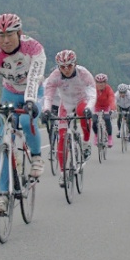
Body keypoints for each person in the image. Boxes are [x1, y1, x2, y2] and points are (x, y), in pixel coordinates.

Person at [0, 13, 46, 214]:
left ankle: (36, 157)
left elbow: (34, 77)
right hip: (9, 91)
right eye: (0, 35)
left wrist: (31, 101)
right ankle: (2, 194)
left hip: (33, 90)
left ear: (20, 33)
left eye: (10, 35)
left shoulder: (34, 48)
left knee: (26, 120)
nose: (5, 40)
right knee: (4, 142)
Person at [41, 50, 96, 187]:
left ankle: (85, 143)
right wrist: (46, 110)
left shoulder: (83, 73)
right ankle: (63, 173)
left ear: (75, 64)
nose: (66, 70)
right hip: (65, 104)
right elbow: (48, 95)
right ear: (58, 66)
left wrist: (89, 107)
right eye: (62, 67)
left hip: (82, 101)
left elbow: (92, 92)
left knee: (82, 111)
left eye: (69, 66)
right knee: (62, 136)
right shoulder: (54, 76)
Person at [92, 73, 116, 147]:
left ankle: (109, 138)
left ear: (105, 83)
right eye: (98, 82)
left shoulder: (108, 89)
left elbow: (111, 99)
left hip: (106, 107)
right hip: (96, 107)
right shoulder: (94, 89)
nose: (100, 84)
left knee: (107, 119)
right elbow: (91, 98)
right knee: (94, 121)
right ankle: (96, 135)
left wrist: (112, 109)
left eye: (102, 82)